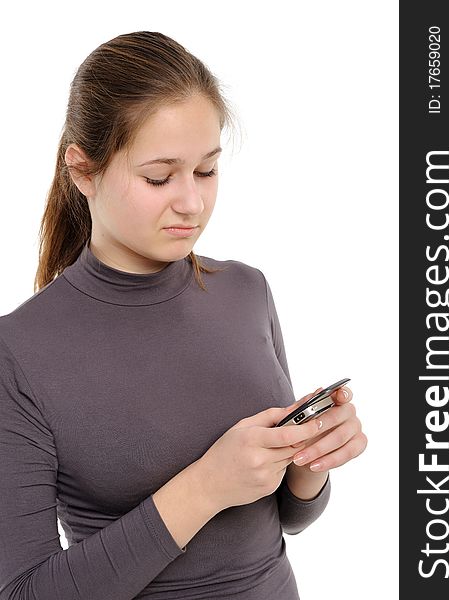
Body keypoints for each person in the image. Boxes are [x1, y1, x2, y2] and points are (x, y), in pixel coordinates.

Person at [0, 31, 367, 600]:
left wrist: (310, 459)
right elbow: (23, 592)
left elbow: (287, 518)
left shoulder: (247, 290)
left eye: (207, 171)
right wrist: (204, 487)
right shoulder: (19, 352)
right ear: (83, 171)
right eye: (158, 177)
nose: (192, 203)